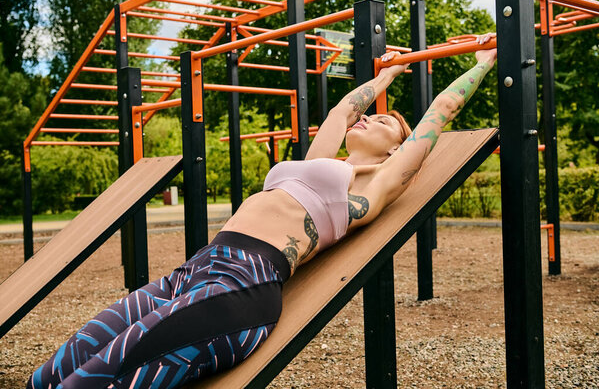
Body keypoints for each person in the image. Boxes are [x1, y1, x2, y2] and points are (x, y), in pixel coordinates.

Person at [28, 33, 497, 389]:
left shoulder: (376, 185)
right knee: (52, 372)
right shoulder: (316, 163)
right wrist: (389, 73)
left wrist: (482, 62)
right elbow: (342, 113)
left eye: (387, 123)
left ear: (396, 152)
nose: (372, 115)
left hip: (241, 288)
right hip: (193, 271)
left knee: (93, 379)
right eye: (374, 112)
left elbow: (442, 111)